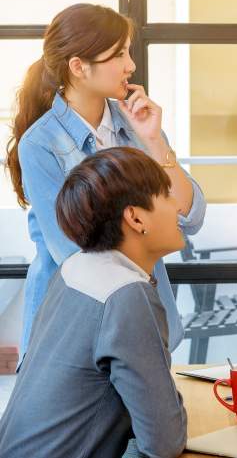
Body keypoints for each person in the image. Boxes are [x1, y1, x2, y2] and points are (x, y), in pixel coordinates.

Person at [4, 3, 206, 358]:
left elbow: (190, 217)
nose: (131, 65)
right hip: (73, 324)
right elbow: (74, 251)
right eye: (119, 54)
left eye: (129, 51)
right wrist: (148, 226)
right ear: (79, 67)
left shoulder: (139, 125)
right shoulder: (39, 144)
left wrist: (155, 142)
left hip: (144, 313)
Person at [0, 147, 188, 458]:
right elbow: (165, 441)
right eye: (167, 195)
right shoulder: (126, 294)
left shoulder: (75, 267)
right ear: (136, 217)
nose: (179, 207)